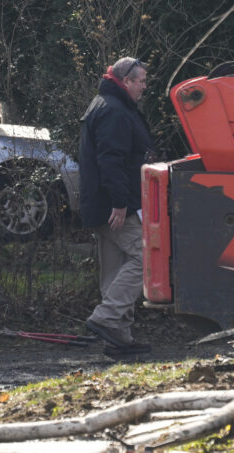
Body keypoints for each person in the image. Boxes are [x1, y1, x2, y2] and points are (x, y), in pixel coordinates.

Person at [79, 56, 155, 354]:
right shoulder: (116, 111)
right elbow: (112, 160)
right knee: (145, 257)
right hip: (115, 206)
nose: (144, 87)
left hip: (99, 204)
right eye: (141, 81)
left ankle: (119, 339)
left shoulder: (103, 104)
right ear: (126, 81)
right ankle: (107, 318)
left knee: (114, 268)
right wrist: (121, 203)